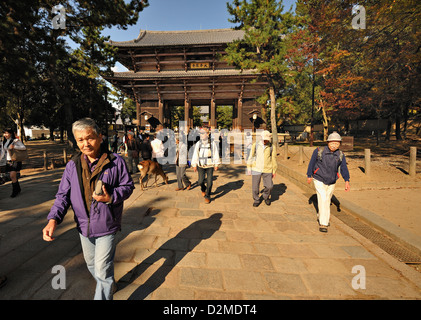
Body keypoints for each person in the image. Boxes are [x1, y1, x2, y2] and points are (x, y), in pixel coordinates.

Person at [42, 118, 134, 300]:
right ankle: (108, 284)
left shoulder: (116, 162)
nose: (86, 144)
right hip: (84, 226)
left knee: (102, 268)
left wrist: (111, 197)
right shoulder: (72, 166)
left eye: (90, 138)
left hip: (107, 224)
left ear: (100, 137)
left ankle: (105, 288)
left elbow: (128, 186)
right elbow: (62, 196)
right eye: (80, 140)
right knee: (92, 264)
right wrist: (53, 219)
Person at [306, 131, 350, 233]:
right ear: (328, 142)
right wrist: (309, 175)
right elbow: (312, 163)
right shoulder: (318, 151)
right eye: (332, 143)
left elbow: (344, 168)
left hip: (332, 180)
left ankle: (321, 216)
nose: (334, 145)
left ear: (339, 144)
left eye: (337, 143)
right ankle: (324, 223)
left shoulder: (340, 155)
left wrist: (347, 180)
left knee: (327, 199)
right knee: (323, 199)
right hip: (319, 178)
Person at [247, 130, 278, 207]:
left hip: (268, 168)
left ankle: (266, 196)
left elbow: (273, 158)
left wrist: (274, 170)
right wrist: (249, 168)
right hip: (256, 168)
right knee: (255, 187)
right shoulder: (255, 145)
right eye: (264, 140)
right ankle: (256, 199)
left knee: (269, 186)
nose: (266, 141)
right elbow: (251, 156)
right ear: (261, 138)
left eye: (267, 140)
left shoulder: (271, 147)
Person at [191, 127, 220, 204]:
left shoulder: (212, 143)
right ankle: (203, 189)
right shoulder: (198, 143)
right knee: (200, 181)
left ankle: (207, 196)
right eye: (200, 133)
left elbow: (215, 153)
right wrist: (194, 164)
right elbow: (195, 154)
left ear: (207, 134)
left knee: (210, 182)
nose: (201, 135)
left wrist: (216, 164)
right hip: (201, 165)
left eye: (203, 133)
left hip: (210, 165)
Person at [1, 128, 26, 197]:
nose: (5, 134)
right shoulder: (4, 142)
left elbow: (24, 147)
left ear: (11, 133)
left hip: (15, 160)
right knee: (13, 177)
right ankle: (18, 189)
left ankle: (15, 192)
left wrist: (14, 146)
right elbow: (3, 152)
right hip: (8, 161)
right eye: (4, 133)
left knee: (12, 176)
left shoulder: (15, 141)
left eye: (6, 133)